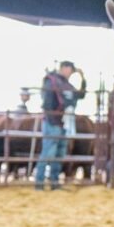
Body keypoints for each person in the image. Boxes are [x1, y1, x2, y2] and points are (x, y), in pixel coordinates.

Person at [34, 61, 86, 190]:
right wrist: (54, 118)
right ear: (63, 68)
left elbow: (81, 95)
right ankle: (39, 183)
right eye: (70, 69)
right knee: (48, 153)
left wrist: (83, 79)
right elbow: (47, 103)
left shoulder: (67, 84)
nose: (71, 72)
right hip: (54, 122)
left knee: (59, 154)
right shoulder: (51, 81)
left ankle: (54, 182)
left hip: (63, 124)